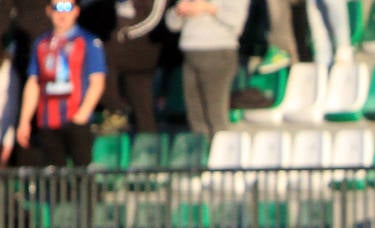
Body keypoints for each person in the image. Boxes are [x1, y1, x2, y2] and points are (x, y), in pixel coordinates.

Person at [16, 0, 106, 168]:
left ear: (76, 11)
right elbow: (33, 82)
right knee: (54, 177)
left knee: (83, 173)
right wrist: (25, 121)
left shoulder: (88, 42)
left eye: (67, 8)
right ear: (49, 11)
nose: (62, 14)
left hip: (76, 119)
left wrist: (81, 116)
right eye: (57, 8)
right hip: (47, 121)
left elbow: (97, 82)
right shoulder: (41, 44)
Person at [165, 0, 248, 137]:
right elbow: (172, 24)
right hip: (190, 51)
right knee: (195, 114)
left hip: (218, 50)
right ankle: (201, 152)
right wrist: (178, 11)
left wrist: (208, 8)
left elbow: (236, 20)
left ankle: (221, 153)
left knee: (215, 113)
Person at [99, 0, 166, 135]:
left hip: (142, 51)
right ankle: (115, 112)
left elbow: (155, 18)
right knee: (101, 66)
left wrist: (128, 32)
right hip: (117, 44)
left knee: (142, 104)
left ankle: (148, 145)